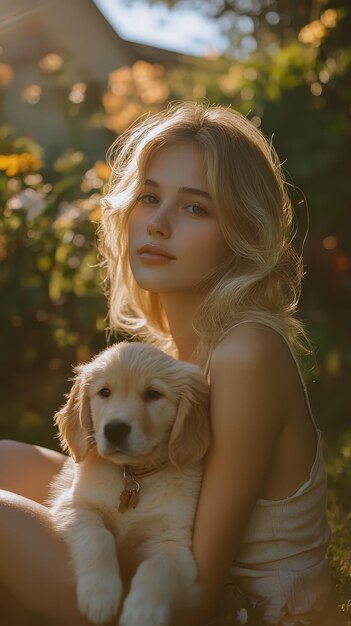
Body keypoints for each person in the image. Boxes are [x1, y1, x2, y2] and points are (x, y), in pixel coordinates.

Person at [0, 101, 331, 626]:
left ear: (241, 234)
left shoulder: (247, 353)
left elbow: (196, 596)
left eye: (195, 207)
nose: (157, 223)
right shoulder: (170, 353)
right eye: (149, 197)